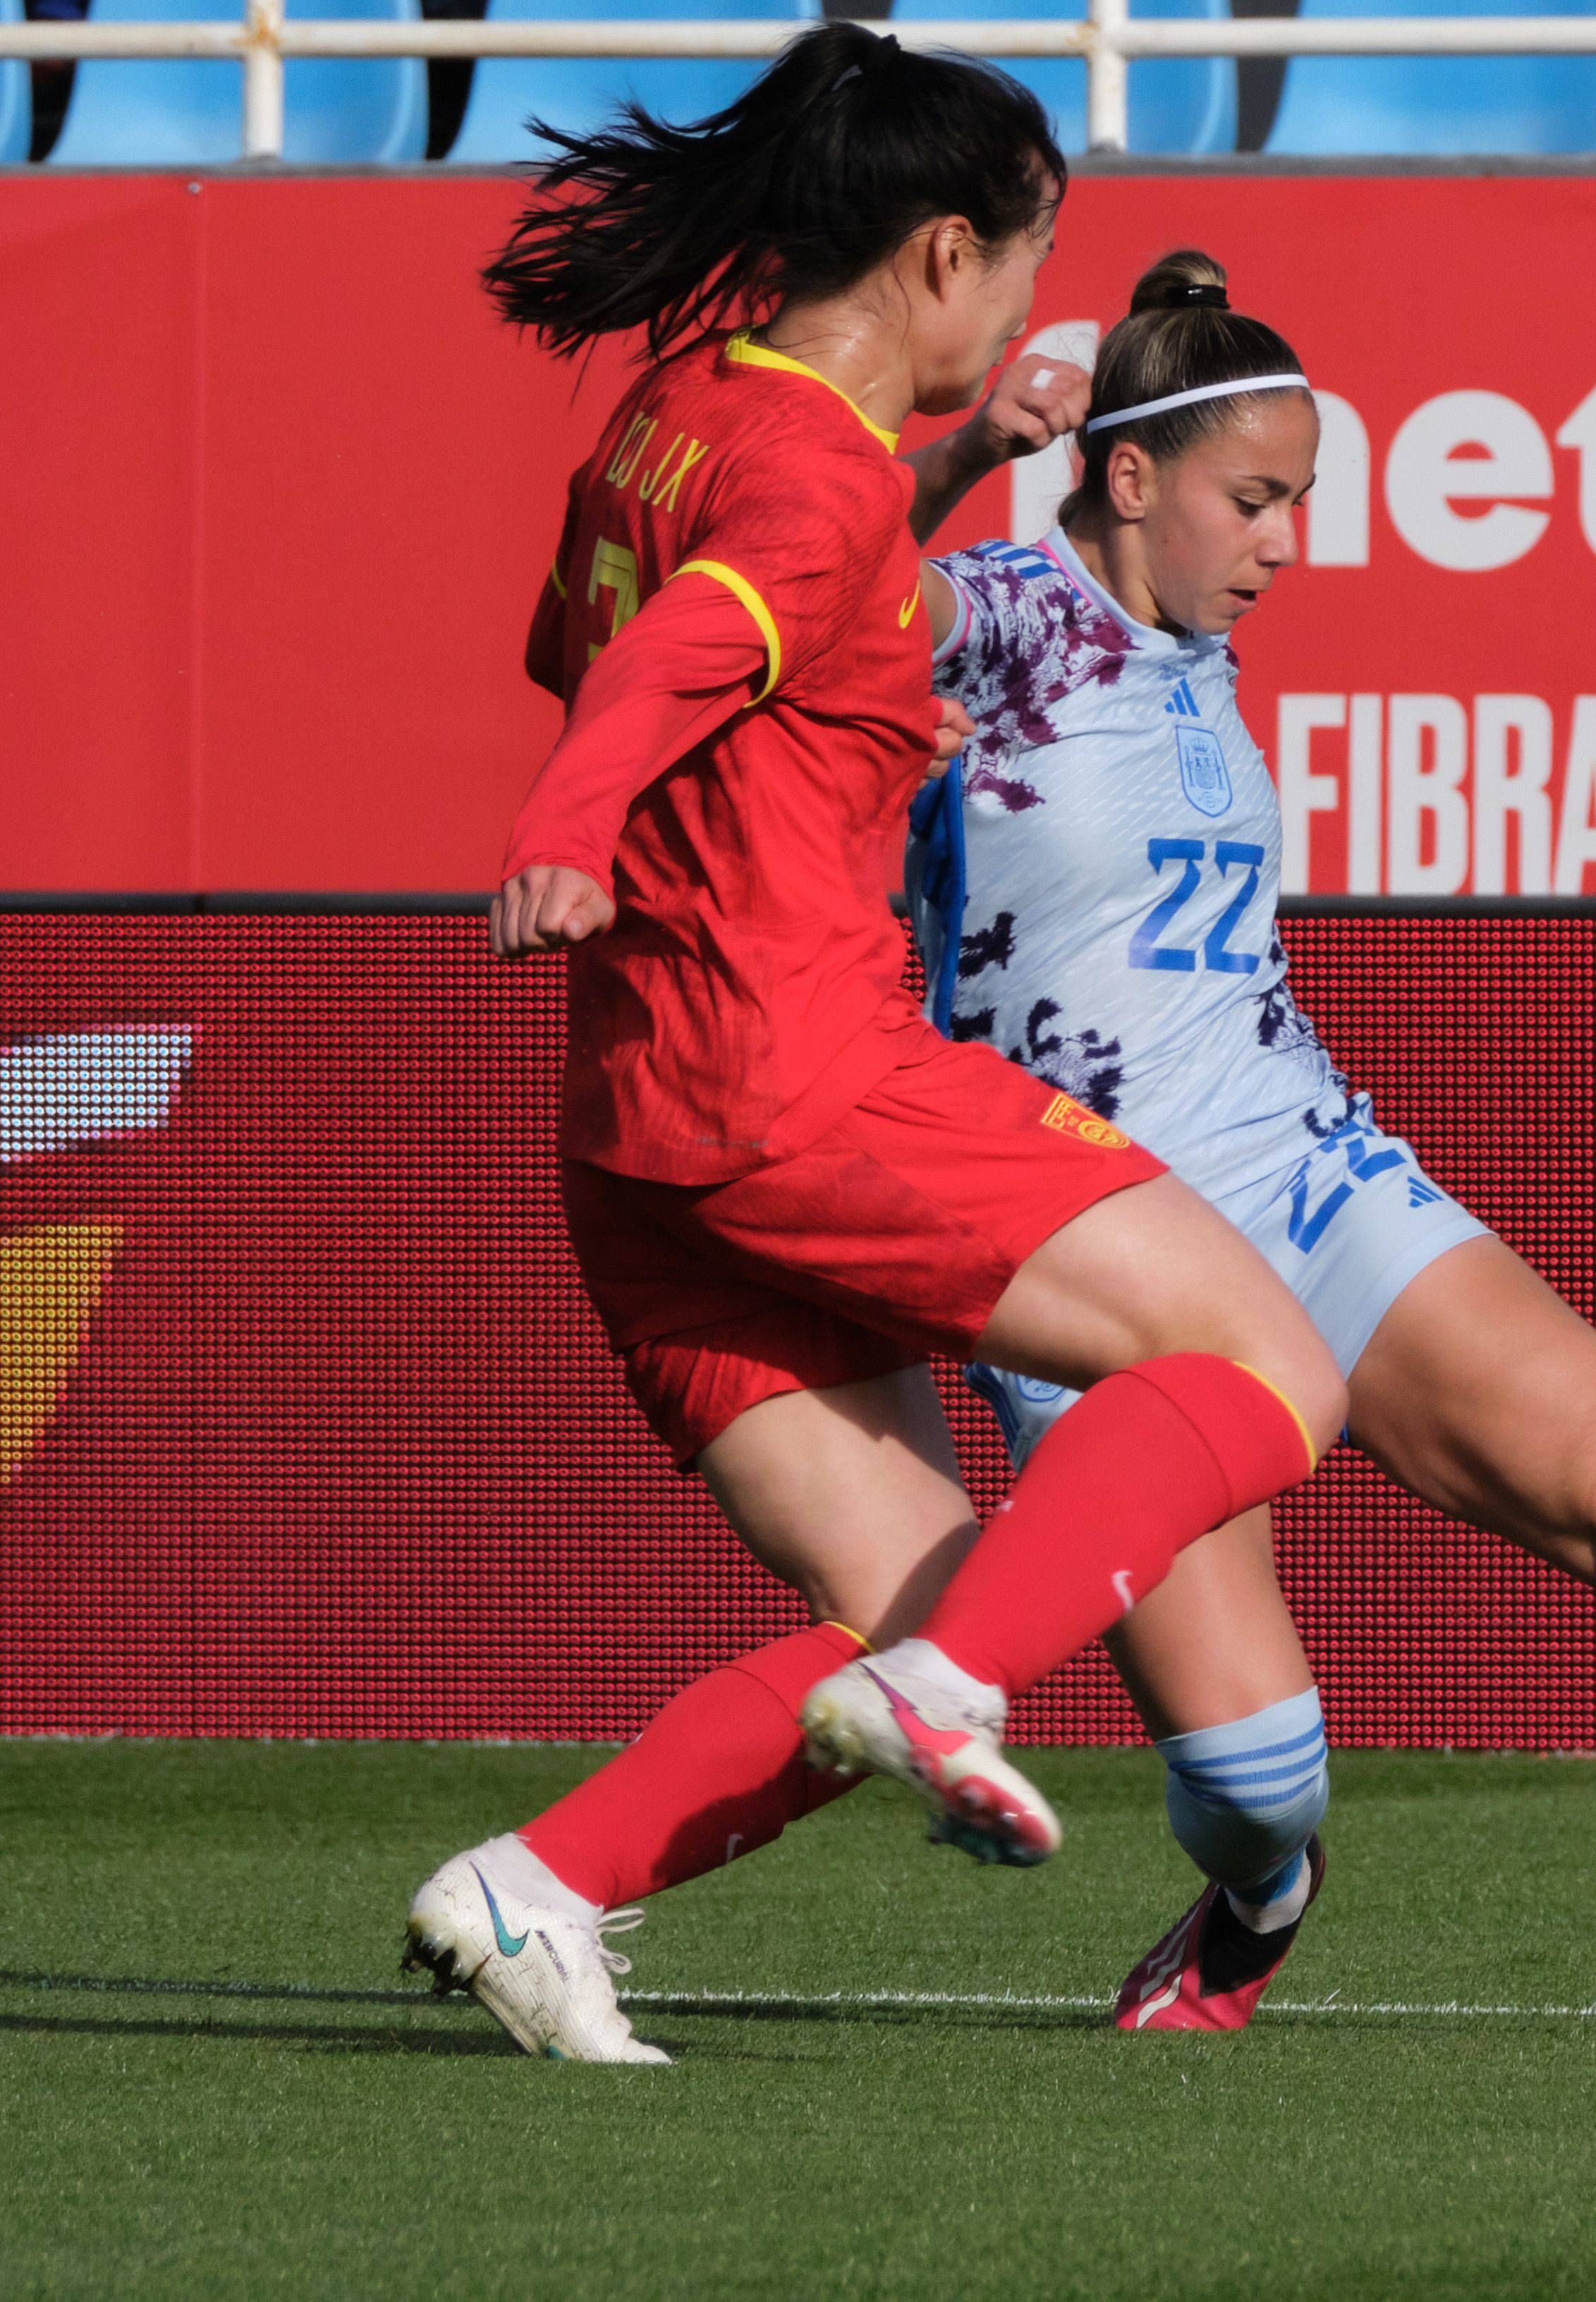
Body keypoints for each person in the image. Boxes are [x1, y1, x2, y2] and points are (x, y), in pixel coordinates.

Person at [912, 251, 1596, 2033]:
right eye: (1253, 499)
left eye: (1299, 501)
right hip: (1091, 1248)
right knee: (1260, 1782)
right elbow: (804, 595)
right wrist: (967, 450)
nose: (1286, 543)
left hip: (1302, 1168)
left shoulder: (1194, 639)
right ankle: (1263, 1890)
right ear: (1127, 478)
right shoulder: (990, 619)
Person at [400, 27, 1350, 2066]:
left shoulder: (684, 411)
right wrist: (565, 824)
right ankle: (946, 1697)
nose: (1026, 310)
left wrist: (955, 465)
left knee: (918, 1590)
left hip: (638, 1128)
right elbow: (681, 653)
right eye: (1025, 263)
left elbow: (628, 627)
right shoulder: (816, 480)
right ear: (938, 253)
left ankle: (536, 1887)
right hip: (799, 1075)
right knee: (1268, 1362)